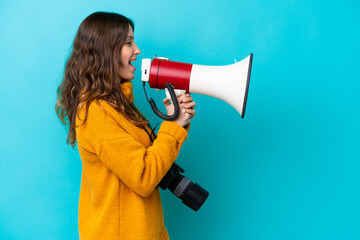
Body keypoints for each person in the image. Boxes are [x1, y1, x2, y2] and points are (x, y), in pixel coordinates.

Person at [55, 11, 196, 240]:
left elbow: (148, 158)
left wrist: (177, 121)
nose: (137, 50)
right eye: (129, 43)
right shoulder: (95, 112)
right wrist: (174, 126)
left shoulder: (117, 105)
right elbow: (143, 177)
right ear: (105, 51)